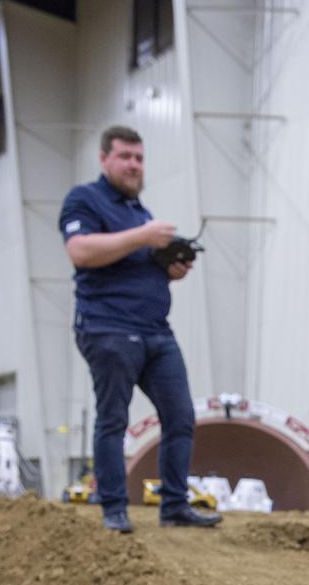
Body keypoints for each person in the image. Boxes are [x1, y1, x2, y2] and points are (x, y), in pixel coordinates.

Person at [59, 125, 221, 532]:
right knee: (113, 417)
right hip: (108, 327)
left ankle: (174, 505)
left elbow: (137, 265)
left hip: (156, 330)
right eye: (125, 157)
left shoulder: (138, 211)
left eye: (139, 158)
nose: (134, 165)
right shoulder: (85, 200)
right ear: (104, 159)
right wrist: (143, 237)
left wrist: (171, 267)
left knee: (180, 414)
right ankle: (113, 507)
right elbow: (80, 252)